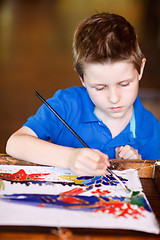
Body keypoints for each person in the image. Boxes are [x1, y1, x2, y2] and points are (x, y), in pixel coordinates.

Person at [6, 12, 160, 176]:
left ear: (140, 69)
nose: (114, 98)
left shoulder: (150, 129)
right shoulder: (66, 106)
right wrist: (70, 158)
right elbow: (14, 144)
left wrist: (136, 165)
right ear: (82, 78)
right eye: (100, 87)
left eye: (124, 84)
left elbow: (153, 177)